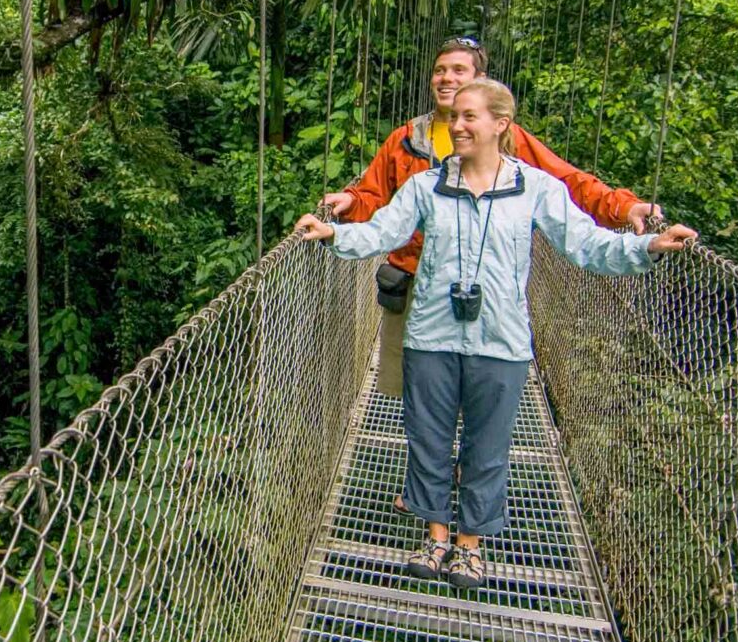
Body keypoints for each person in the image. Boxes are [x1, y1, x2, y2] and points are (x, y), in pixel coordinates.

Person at [296, 78, 696, 589]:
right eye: (453, 118)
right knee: (428, 439)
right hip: (431, 335)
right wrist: (334, 233)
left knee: (487, 447)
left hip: (502, 341)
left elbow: (586, 245)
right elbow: (385, 232)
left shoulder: (537, 189)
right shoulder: (426, 186)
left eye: (469, 117)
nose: (457, 126)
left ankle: (470, 547)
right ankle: (436, 536)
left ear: (500, 125)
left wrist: (648, 248)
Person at [325, 36, 661, 398]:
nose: (446, 79)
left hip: (483, 291)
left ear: (479, 79)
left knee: (473, 398)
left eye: (458, 70)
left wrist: (621, 207)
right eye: (439, 71)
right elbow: (376, 198)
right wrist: (348, 201)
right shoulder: (407, 138)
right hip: (413, 285)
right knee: (410, 390)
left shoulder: (506, 137)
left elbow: (565, 182)